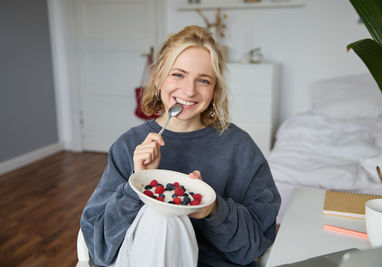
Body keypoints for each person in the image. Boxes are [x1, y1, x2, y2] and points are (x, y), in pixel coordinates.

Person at [80, 25, 281, 267]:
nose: (189, 90)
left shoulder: (239, 148)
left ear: (214, 90)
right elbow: (99, 246)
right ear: (157, 78)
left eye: (203, 80)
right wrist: (139, 182)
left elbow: (254, 246)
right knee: (162, 216)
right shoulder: (128, 146)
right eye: (178, 74)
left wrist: (213, 209)